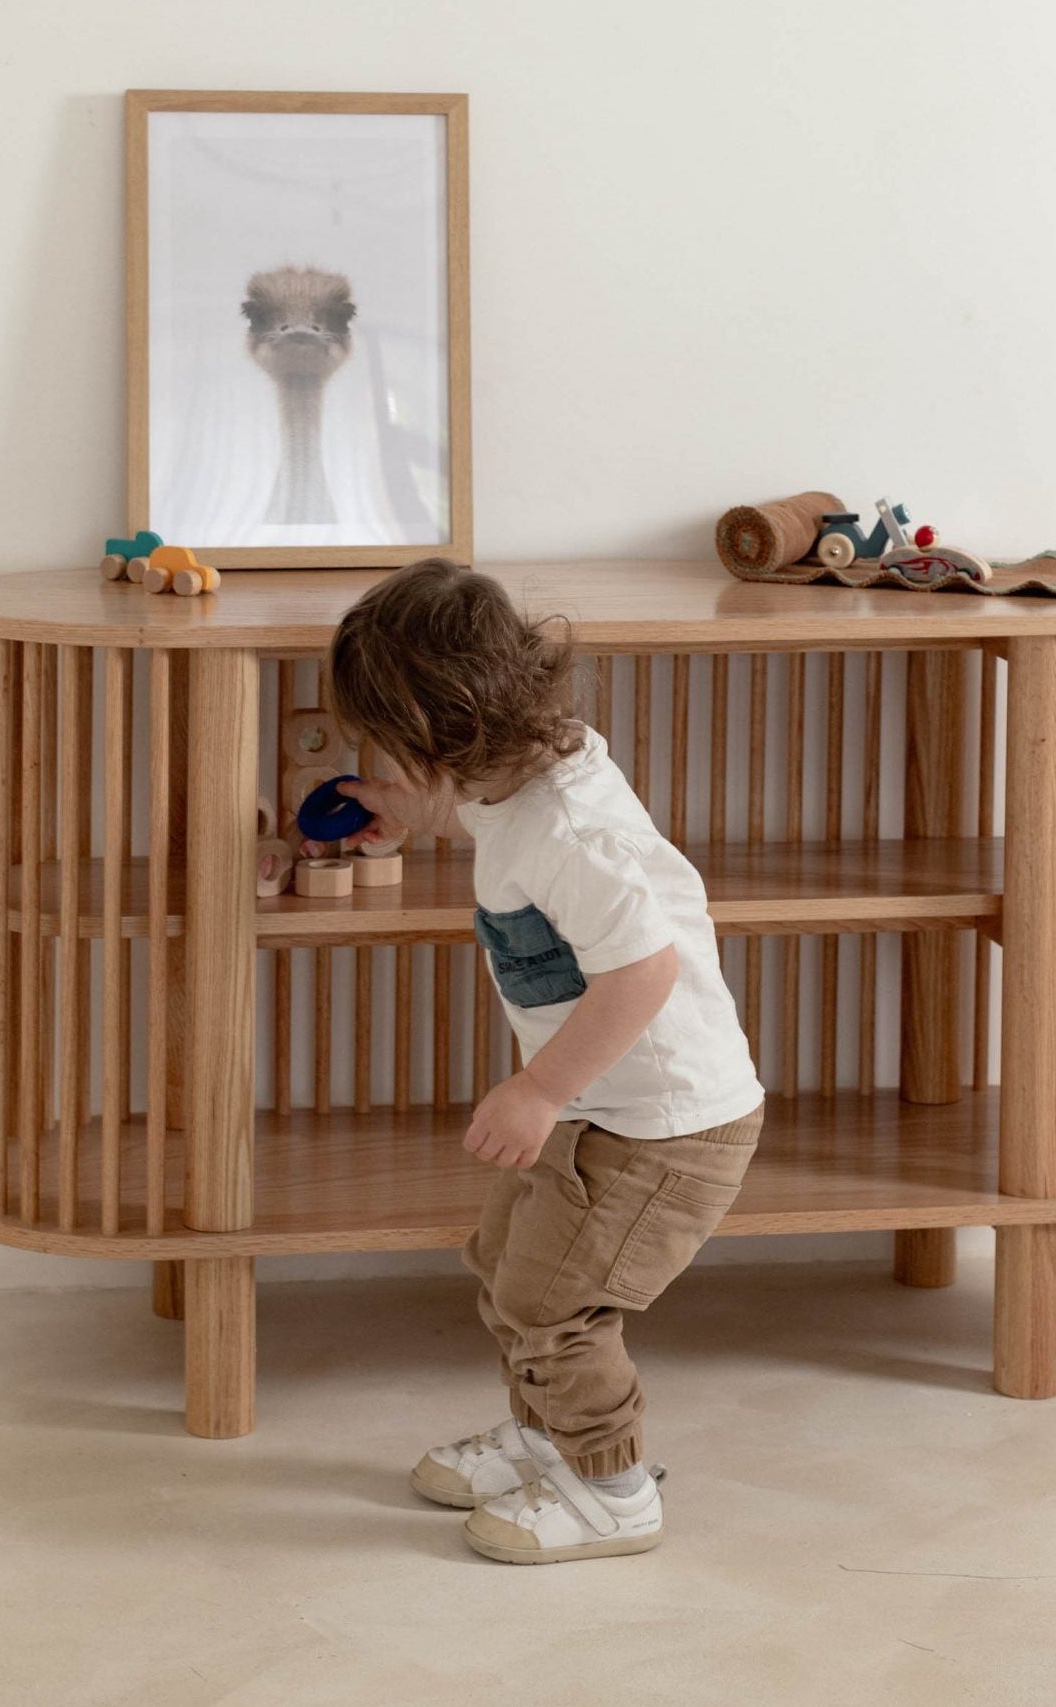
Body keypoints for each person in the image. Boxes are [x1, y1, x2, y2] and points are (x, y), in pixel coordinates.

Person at [323, 558, 764, 1564]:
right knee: (508, 1264)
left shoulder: (571, 828)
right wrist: (399, 810)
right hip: (606, 1107)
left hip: (666, 1123)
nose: (372, 761)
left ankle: (611, 1490)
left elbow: (644, 972)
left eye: (386, 751)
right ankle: (541, 1441)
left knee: (555, 1303)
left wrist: (537, 1088)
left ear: (447, 733)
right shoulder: (517, 787)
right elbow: (481, 817)